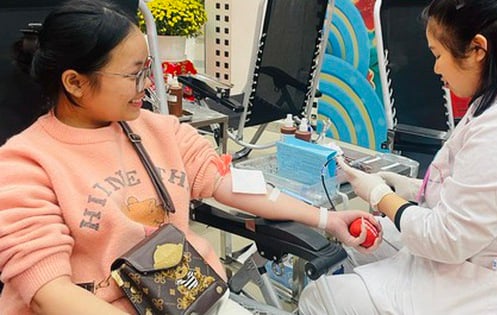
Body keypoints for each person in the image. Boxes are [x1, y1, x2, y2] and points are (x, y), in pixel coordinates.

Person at [0, 1, 378, 314]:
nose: (147, 86)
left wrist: (328, 218)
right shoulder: (26, 164)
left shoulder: (158, 130)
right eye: (134, 75)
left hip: (190, 293)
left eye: (148, 71)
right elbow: (50, 292)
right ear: (75, 82)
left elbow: (230, 183)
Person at [299, 0, 497, 314]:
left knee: (321, 296)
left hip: (491, 294)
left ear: (477, 49)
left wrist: (379, 194)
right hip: (484, 261)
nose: (436, 68)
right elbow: (474, 193)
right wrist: (404, 187)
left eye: (438, 54)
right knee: (357, 247)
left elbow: (448, 239)